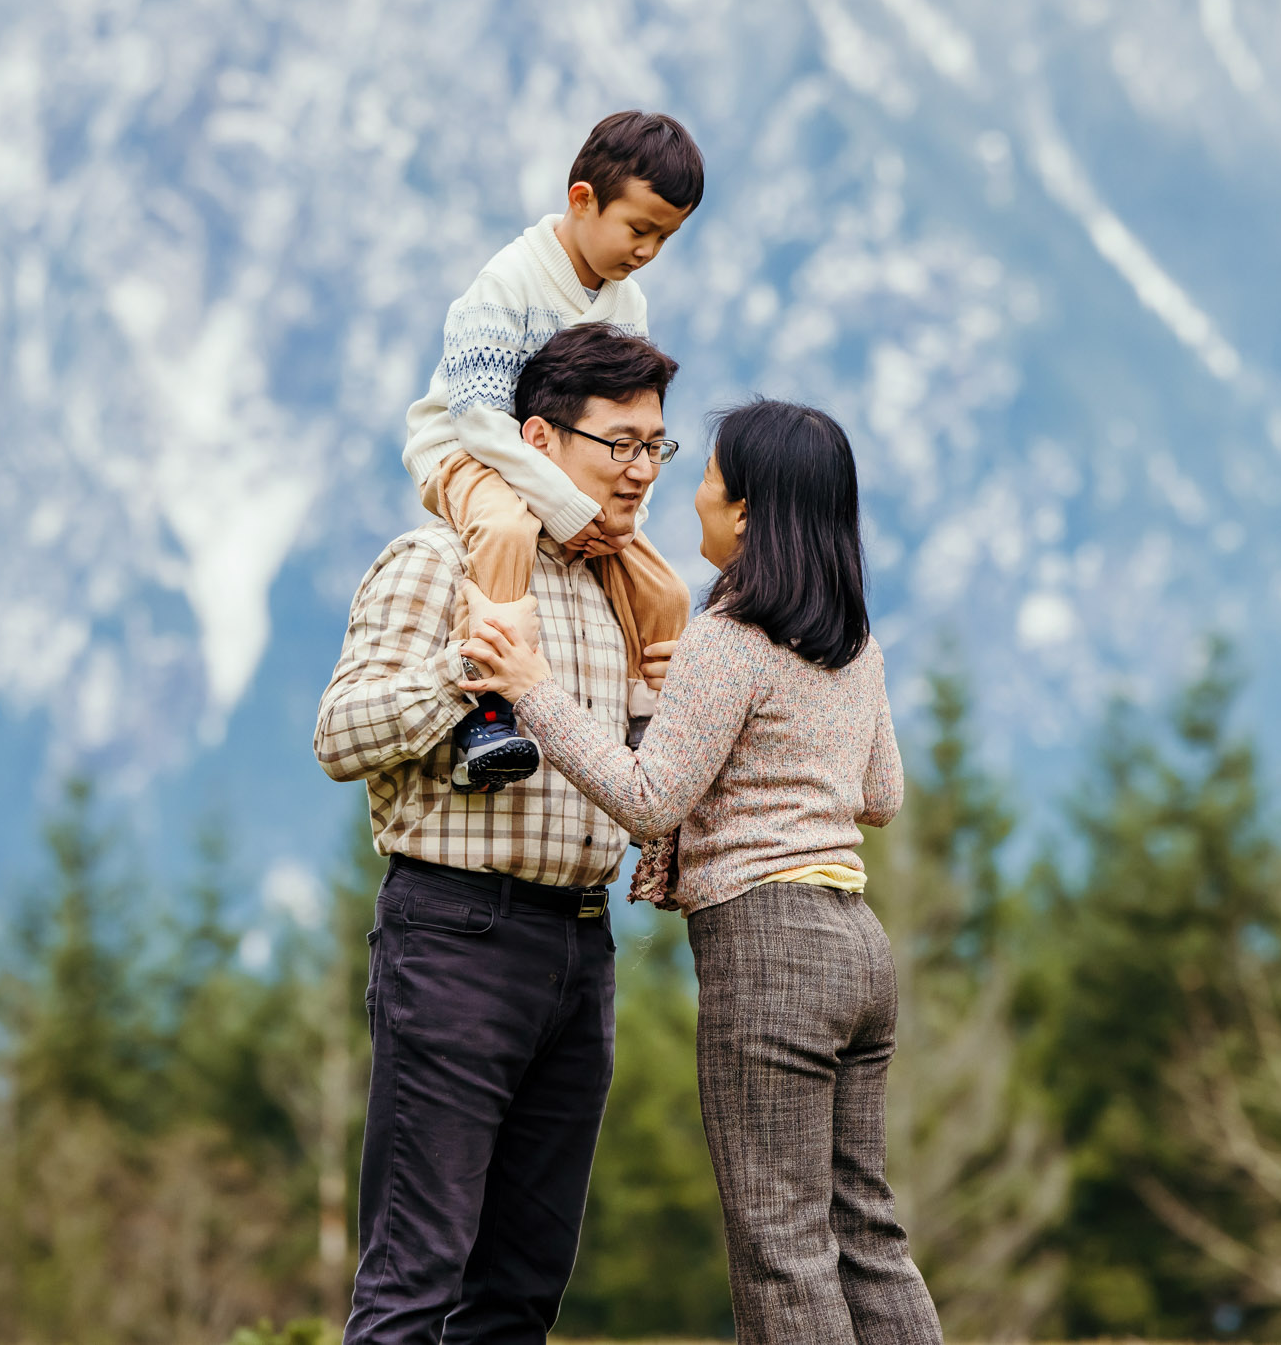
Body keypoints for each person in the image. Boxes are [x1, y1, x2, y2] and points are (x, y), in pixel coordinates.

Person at [463, 399, 946, 1345]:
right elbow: (881, 793)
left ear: (748, 511)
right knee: (866, 1230)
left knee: (781, 1240)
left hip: (771, 950)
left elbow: (649, 800)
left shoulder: (729, 638)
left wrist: (531, 690)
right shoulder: (854, 644)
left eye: (709, 477)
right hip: (858, 946)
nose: (691, 494)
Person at [314, 323, 687, 1345]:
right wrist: (461, 671)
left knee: (523, 1290)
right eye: (619, 442)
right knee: (416, 1274)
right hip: (457, 934)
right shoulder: (438, 561)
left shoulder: (621, 591)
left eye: (656, 445)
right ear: (538, 438)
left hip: (584, 947)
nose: (642, 469)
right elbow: (339, 735)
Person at [403, 110, 703, 785]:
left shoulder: (628, 306)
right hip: (466, 453)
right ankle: (488, 710)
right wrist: (565, 506)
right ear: (583, 199)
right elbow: (479, 418)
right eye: (639, 229)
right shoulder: (509, 281)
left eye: (665, 237)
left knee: (664, 587)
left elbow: (628, 424)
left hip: (568, 473)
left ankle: (647, 719)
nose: (648, 250)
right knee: (506, 529)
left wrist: (624, 518)